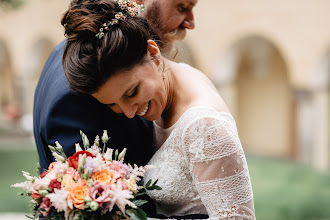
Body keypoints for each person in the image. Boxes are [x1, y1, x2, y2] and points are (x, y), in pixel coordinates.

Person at [61, 0, 256, 219]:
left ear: (153, 54)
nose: (128, 112)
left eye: (131, 93)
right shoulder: (173, 81)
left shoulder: (204, 126)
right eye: (113, 104)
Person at [33, 0, 197, 173]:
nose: (190, 23)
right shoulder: (80, 90)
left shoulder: (79, 52)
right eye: (182, 7)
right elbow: (93, 193)